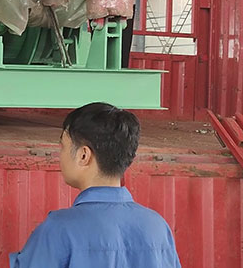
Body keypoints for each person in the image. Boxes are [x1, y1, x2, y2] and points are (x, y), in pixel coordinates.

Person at [10, 103, 180, 268]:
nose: (60, 156)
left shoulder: (58, 229)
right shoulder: (157, 227)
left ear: (84, 155)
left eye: (63, 147)